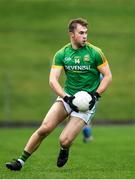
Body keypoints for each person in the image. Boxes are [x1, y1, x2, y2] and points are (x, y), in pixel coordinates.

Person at [5, 18, 112, 171]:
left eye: (86, 33)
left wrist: (95, 95)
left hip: (86, 104)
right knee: (45, 128)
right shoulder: (62, 54)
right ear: (72, 34)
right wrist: (66, 97)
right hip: (68, 97)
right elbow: (53, 80)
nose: (85, 36)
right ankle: (20, 162)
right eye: (81, 33)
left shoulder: (95, 53)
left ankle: (64, 149)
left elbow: (108, 76)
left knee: (64, 140)